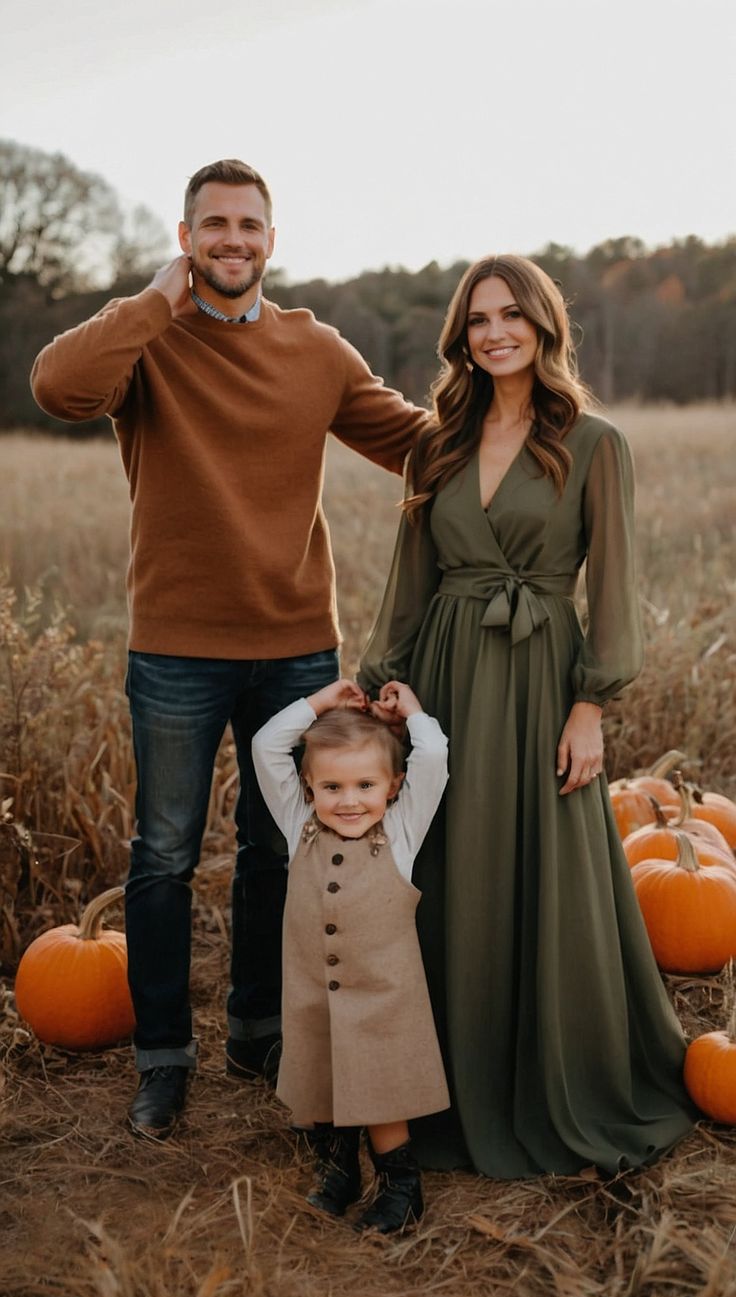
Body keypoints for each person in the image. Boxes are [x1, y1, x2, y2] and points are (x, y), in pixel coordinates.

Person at [30, 159, 432, 1140]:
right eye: (213, 225)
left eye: (249, 224)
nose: (232, 240)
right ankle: (164, 1057)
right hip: (175, 647)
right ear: (186, 238)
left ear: (271, 239)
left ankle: (258, 1030)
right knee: (163, 855)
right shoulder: (146, 344)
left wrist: (535, 431)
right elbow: (57, 386)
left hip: (297, 646)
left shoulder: (315, 349)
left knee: (276, 846)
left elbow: (416, 443)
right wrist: (155, 301)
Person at [358, 254, 696, 1178]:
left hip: (543, 672)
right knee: (445, 863)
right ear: (460, 338)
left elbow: (616, 594)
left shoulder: (594, 442)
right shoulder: (436, 443)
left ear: (544, 326)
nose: (495, 332)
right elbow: (409, 581)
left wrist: (591, 705)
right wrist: (383, 682)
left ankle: (551, 1077)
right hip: (448, 677)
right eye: (478, 320)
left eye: (512, 315)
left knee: (541, 864)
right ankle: (437, 1085)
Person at [251, 677, 449, 1232]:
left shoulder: (402, 832)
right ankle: (337, 1172)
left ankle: (400, 1187)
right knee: (317, 1085)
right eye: (332, 786)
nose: (350, 800)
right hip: (313, 989)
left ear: (393, 787)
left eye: (365, 784)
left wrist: (409, 713)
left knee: (383, 1094)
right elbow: (267, 745)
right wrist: (319, 704)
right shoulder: (300, 827)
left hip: (383, 999)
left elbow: (433, 754)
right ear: (309, 787)